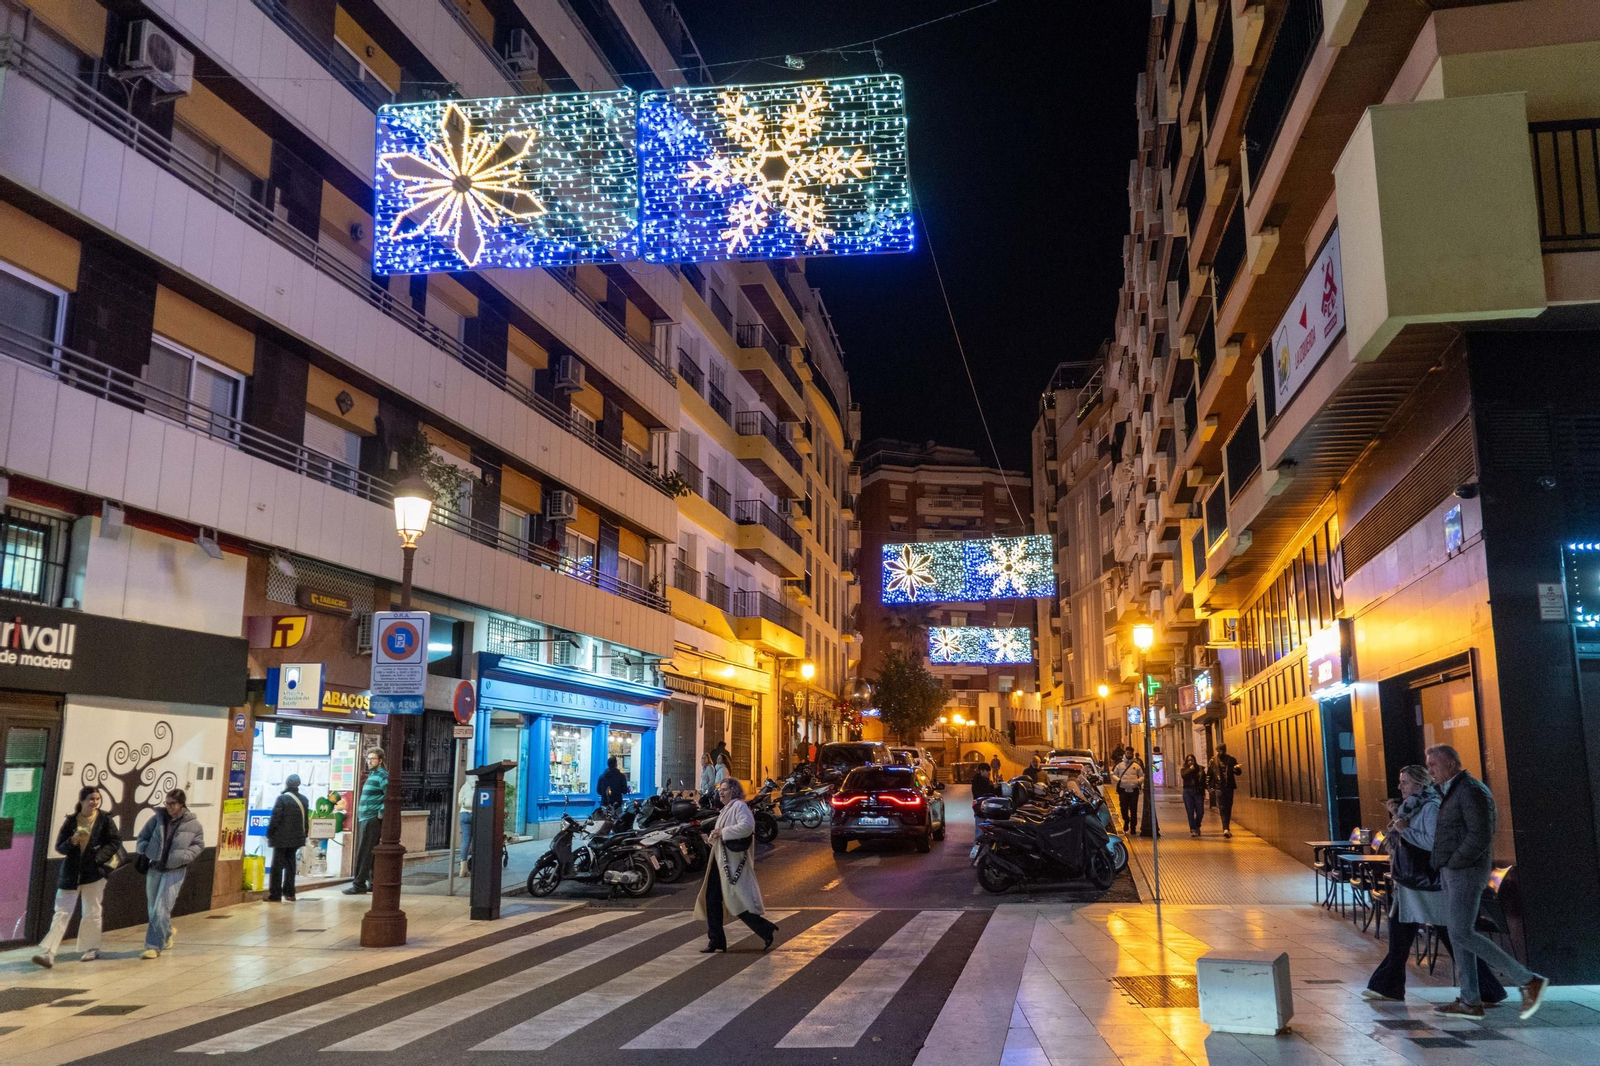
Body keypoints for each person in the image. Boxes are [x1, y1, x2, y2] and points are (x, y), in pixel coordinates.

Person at [1364, 765, 1505, 1004]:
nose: (1400, 787)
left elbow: (1433, 843)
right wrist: (1398, 818)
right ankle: (1388, 986)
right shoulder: (1412, 807)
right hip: (1411, 882)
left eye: (1405, 782)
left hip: (1426, 883)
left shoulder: (1430, 808)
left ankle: (1488, 988)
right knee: (1402, 934)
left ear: (1419, 784)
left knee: (1452, 937)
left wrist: (1405, 830)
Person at [1426, 745, 1548, 1019]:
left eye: (1434, 764)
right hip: (1452, 870)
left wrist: (1456, 861)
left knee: (1460, 933)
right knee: (1460, 936)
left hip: (1465, 871)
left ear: (1451, 763)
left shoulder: (1470, 790)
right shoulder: (1452, 790)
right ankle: (1470, 1000)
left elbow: (1481, 833)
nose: (1430, 770)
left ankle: (1528, 980)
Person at [33, 786, 120, 968]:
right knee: (62, 912)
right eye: (91, 799)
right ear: (81, 801)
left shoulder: (104, 819)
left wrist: (98, 858)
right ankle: (49, 952)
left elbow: (114, 842)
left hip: (94, 873)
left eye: (97, 799)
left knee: (91, 911)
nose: (94, 802)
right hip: (71, 873)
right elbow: (60, 846)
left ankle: (91, 948)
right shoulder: (72, 820)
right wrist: (72, 840)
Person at [695, 777, 778, 953]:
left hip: (731, 863)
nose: (721, 792)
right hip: (720, 861)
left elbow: (747, 827)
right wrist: (713, 836)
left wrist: (723, 832)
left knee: (736, 900)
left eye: (724, 789)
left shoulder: (739, 806)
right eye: (720, 789)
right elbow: (722, 832)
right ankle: (716, 939)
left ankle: (764, 929)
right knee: (713, 899)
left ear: (733, 791)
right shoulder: (727, 809)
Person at [135, 789, 203, 959]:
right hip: (155, 868)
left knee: (160, 909)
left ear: (181, 804)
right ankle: (167, 933)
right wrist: (145, 849)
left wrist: (184, 857)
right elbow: (142, 836)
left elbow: (199, 845)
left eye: (173, 803)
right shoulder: (157, 819)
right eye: (167, 803)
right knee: (153, 910)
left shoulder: (193, 824)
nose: (169, 807)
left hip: (175, 870)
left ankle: (153, 946)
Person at [345, 748, 387, 895]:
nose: (369, 761)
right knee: (370, 852)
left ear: (380, 760)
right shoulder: (372, 775)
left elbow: (389, 796)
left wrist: (380, 813)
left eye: (373, 759)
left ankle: (359, 884)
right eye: (368, 759)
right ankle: (372, 882)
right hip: (365, 818)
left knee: (364, 851)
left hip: (371, 819)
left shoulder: (382, 775)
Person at [266, 774, 309, 902]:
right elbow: (305, 820)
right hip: (296, 839)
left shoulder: (282, 799)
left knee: (277, 866)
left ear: (287, 784)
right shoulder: (304, 800)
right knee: (291, 865)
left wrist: (269, 833)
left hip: (281, 839)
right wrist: (304, 834)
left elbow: (275, 819)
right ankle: (290, 893)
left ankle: (275, 894)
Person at [1208, 745, 1241, 837]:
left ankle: (1226, 826)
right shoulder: (1213, 761)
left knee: (1228, 807)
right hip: (1219, 787)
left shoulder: (1231, 760)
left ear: (1225, 750)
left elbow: (1238, 773)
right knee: (1222, 807)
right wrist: (1209, 786)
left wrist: (1236, 769)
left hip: (1229, 787)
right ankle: (1225, 828)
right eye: (1218, 751)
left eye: (1221, 751)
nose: (1219, 753)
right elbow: (1209, 774)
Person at [1111, 750, 1144, 834]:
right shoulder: (1119, 765)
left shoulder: (1136, 765)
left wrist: (1138, 782)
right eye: (1127, 753)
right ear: (1125, 754)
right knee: (1123, 808)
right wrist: (1118, 780)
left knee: (1134, 809)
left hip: (1134, 790)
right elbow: (1114, 774)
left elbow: (1142, 776)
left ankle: (1133, 827)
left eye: (1130, 753)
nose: (1129, 755)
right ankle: (1126, 820)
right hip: (1123, 790)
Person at [1180, 755, 1206, 837]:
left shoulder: (1200, 769)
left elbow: (1203, 780)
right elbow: (1184, 776)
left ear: (1195, 760)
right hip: (1188, 792)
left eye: (1192, 760)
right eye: (1188, 760)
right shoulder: (1184, 770)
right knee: (1190, 811)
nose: (1190, 762)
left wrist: (1204, 791)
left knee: (1200, 811)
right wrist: (1190, 770)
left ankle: (1197, 825)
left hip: (1198, 792)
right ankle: (1193, 829)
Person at [456, 778, 475, 877]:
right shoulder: (479, 785)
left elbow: (459, 801)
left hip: (463, 813)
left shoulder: (465, 785)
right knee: (475, 839)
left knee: (465, 840)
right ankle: (474, 863)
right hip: (475, 814)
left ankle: (463, 868)